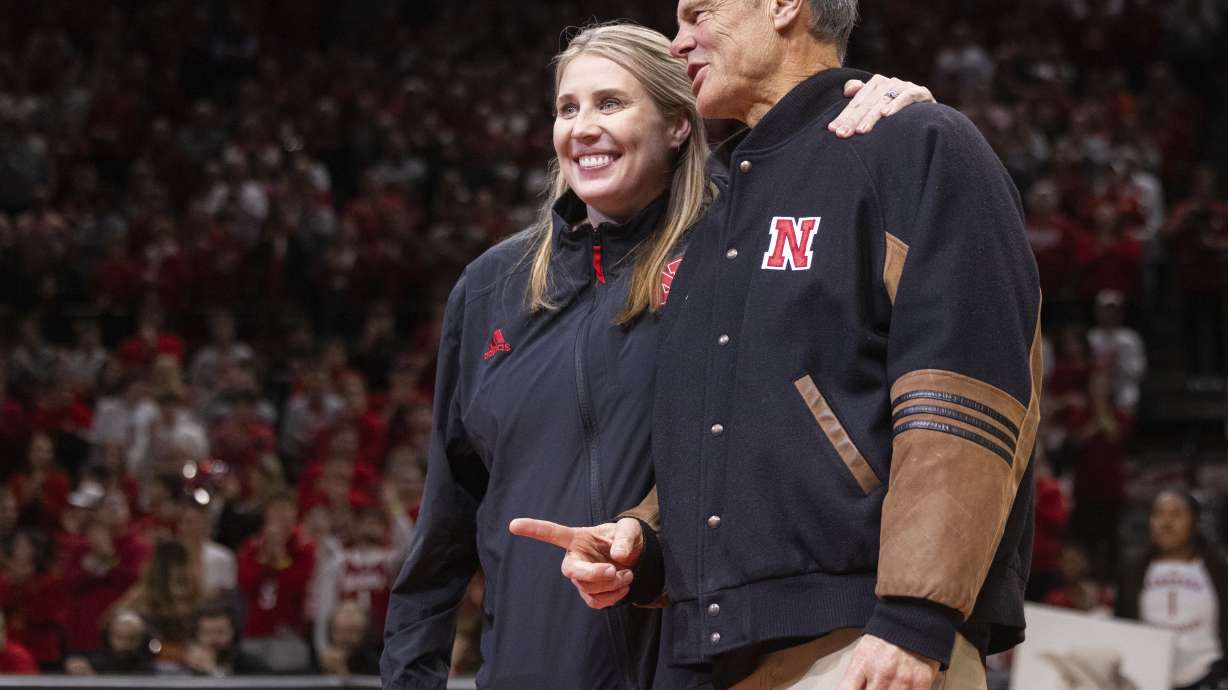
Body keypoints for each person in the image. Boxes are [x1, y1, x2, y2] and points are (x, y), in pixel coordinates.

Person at [382, 20, 934, 690]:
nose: (582, 127)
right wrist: (410, 677)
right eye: (567, 108)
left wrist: (887, 105)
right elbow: (445, 524)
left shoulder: (733, 254)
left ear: (678, 125)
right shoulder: (490, 289)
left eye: (611, 103)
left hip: (702, 667)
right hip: (528, 666)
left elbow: (825, 177)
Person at [515, 2, 1041, 689]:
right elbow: (722, 427)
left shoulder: (916, 144)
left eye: (698, 11)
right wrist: (644, 540)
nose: (678, 41)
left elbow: (965, 394)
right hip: (723, 653)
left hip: (865, 642)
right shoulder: (717, 204)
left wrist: (914, 615)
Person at [1117, 490, 1228, 690]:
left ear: (1194, 522)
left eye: (1176, 515)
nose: (1166, 522)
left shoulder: (1217, 568)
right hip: (1149, 674)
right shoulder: (1133, 570)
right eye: (1158, 514)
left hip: (1207, 673)